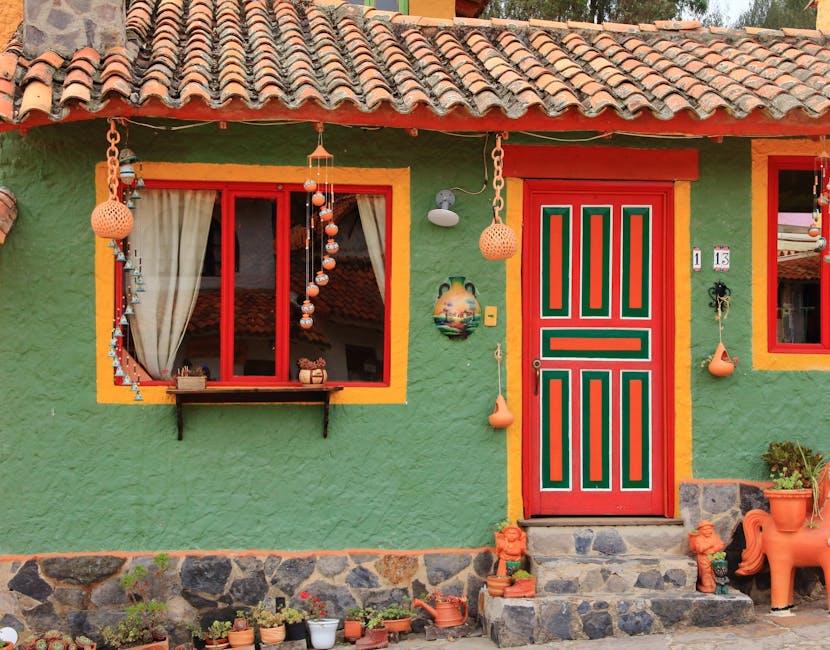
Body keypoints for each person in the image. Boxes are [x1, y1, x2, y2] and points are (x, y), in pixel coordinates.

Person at [688, 520, 725, 593]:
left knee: (714, 571)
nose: (707, 531)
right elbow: (700, 549)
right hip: (703, 558)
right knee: (705, 571)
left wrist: (713, 549)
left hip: (714, 557)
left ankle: (714, 585)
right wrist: (710, 545)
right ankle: (707, 585)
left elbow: (720, 544)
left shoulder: (715, 536)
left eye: (709, 529)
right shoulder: (699, 538)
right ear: (701, 530)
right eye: (705, 529)